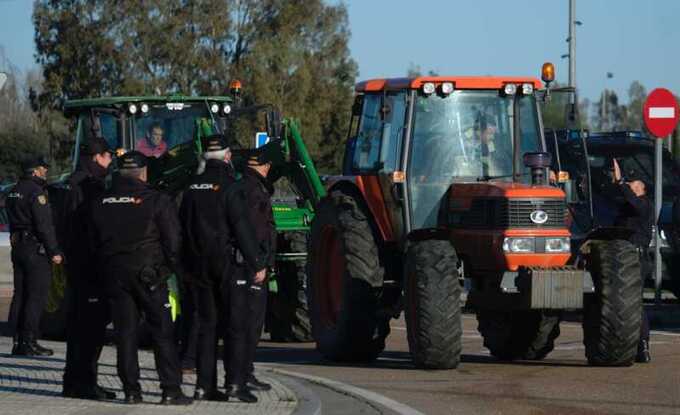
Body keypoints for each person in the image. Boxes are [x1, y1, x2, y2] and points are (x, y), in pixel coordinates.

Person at [89, 151, 192, 405]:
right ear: (144, 172)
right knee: (163, 333)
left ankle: (131, 392)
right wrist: (169, 269)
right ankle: (170, 390)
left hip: (114, 273)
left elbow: (93, 240)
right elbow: (173, 241)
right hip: (150, 275)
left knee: (125, 334)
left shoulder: (100, 200)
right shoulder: (157, 200)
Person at [180, 134, 267, 403]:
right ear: (228, 156)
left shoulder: (191, 187)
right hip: (229, 265)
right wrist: (258, 263)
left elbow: (182, 227)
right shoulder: (232, 186)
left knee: (207, 325)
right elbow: (242, 228)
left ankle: (205, 387)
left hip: (198, 265)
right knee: (235, 326)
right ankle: (235, 384)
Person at [61, 136, 116, 400]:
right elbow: (89, 229)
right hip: (89, 267)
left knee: (78, 329)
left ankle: (74, 382)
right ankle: (85, 383)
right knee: (90, 331)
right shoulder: (89, 186)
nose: (111, 162)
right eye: (108, 156)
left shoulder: (72, 183)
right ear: (97, 157)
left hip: (77, 267)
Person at [225, 142, 278, 400]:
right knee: (250, 324)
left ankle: (243, 373)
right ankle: (243, 375)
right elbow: (257, 231)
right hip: (250, 267)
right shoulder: (254, 191)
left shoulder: (239, 187)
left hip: (240, 263)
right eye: (267, 165)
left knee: (241, 324)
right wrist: (260, 263)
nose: (268, 169)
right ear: (262, 166)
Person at [6, 156, 63, 356]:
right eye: (43, 169)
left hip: (18, 246)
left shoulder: (13, 191)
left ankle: (17, 341)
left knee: (20, 294)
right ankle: (29, 342)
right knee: (36, 297)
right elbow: (44, 226)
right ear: (35, 171)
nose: (45, 172)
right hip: (34, 249)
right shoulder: (37, 193)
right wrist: (54, 251)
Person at [612, 158, 653, 363]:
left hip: (637, 258)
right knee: (622, 304)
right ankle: (626, 345)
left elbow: (633, 202)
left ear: (643, 189)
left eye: (635, 184)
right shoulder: (627, 209)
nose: (631, 185)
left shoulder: (644, 204)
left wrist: (621, 182)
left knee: (635, 303)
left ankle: (643, 345)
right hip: (623, 258)